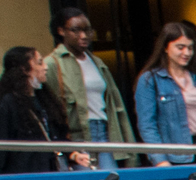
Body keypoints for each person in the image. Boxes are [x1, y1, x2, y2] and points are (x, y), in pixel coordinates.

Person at [44, 9, 132, 170]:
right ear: (61, 31)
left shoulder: (96, 62)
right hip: (78, 137)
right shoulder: (51, 64)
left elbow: (116, 105)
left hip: (105, 132)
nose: (84, 36)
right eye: (76, 30)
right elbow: (47, 107)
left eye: (88, 30)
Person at [0, 48, 87, 175]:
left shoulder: (43, 98)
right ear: (24, 69)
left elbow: (54, 134)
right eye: (39, 62)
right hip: (23, 175)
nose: (45, 67)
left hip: (48, 171)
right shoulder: (6, 104)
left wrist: (73, 154)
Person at [133, 24, 196, 164]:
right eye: (180, 47)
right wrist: (160, 160)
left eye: (190, 48)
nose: (186, 53)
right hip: (174, 156)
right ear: (165, 48)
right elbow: (147, 125)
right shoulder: (149, 80)